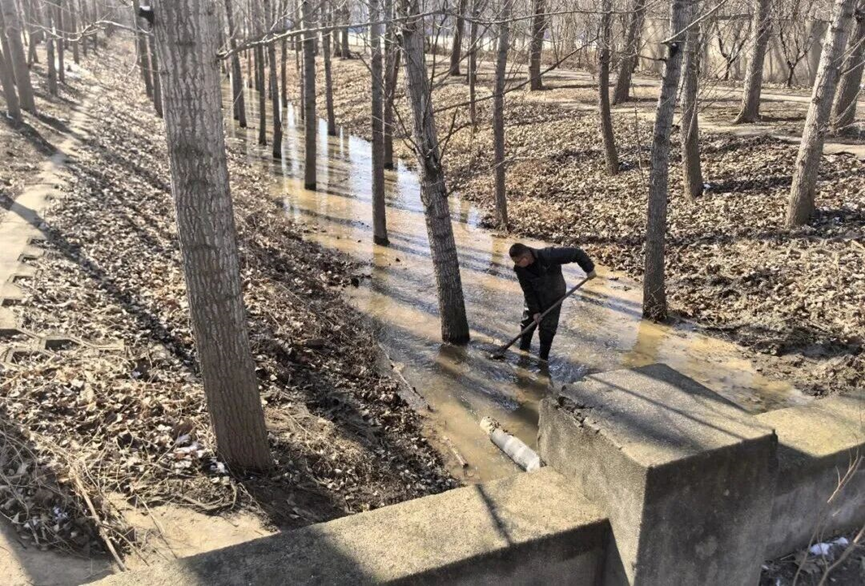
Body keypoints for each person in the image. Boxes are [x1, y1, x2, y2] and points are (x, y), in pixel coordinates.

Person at [509, 243, 596, 361]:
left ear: (526, 258)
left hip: (553, 297)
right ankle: (523, 353)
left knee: (547, 330)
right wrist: (535, 311)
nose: (516, 264)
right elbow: (528, 291)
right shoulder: (520, 269)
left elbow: (576, 253)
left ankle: (543, 360)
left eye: (517, 261)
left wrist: (589, 268)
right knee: (527, 324)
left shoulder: (548, 255)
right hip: (535, 296)